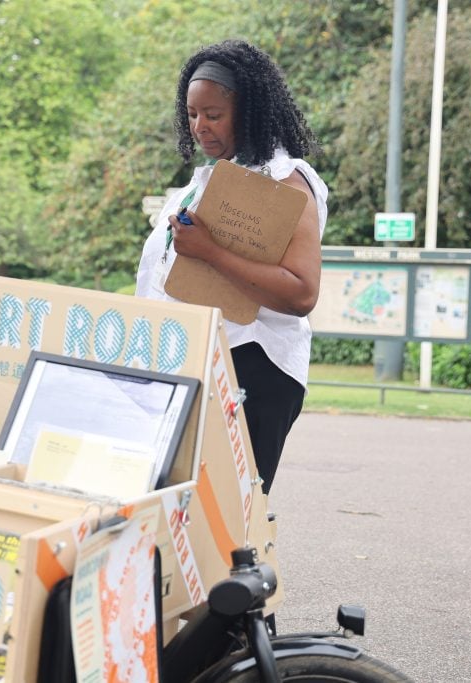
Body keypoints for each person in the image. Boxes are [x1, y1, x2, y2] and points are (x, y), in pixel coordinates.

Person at [136, 39, 328, 495]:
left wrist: (211, 251)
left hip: (252, 370)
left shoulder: (286, 179)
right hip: (190, 363)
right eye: (191, 115)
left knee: (231, 526)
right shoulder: (204, 180)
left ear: (250, 111)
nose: (200, 126)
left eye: (213, 115)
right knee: (183, 515)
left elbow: (301, 293)